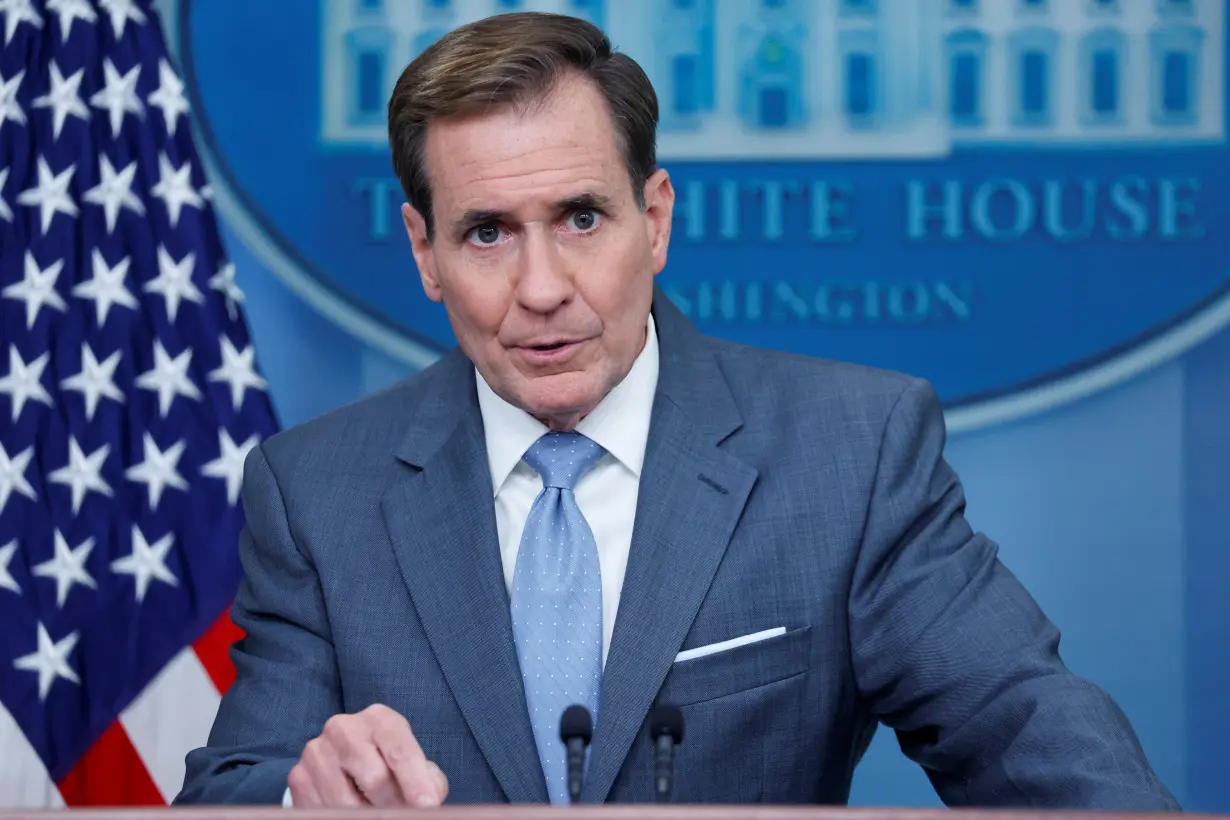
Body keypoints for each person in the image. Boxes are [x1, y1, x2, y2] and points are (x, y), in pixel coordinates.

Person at [176, 11, 1178, 810]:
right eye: (486, 233)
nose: (542, 287)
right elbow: (231, 789)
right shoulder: (317, 489)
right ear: (423, 251)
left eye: (581, 217)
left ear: (653, 219)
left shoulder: (850, 451)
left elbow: (1015, 722)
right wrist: (303, 799)